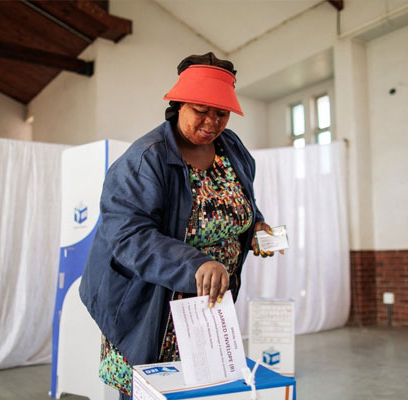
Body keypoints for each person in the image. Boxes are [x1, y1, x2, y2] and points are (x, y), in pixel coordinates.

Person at [79, 52, 279, 400]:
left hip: (206, 309)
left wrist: (256, 226)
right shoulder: (145, 159)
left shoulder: (232, 149)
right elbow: (128, 236)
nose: (212, 121)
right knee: (151, 391)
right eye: (201, 110)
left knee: (204, 391)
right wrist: (196, 263)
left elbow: (241, 200)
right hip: (149, 307)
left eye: (221, 113)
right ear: (178, 105)